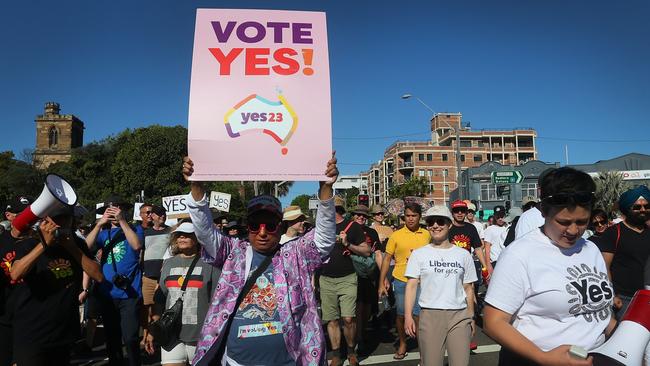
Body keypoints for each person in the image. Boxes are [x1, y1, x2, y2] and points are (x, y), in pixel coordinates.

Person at [183, 154, 339, 366]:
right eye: (255, 225)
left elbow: (324, 238)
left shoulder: (295, 254)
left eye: (270, 225)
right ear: (248, 227)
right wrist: (197, 186)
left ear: (281, 228)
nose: (262, 232)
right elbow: (204, 231)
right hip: (237, 362)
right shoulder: (233, 252)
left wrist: (326, 189)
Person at [484, 167, 617, 366]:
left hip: (596, 357)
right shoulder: (520, 254)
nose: (573, 230)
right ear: (544, 211)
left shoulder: (591, 249)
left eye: (582, 222)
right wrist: (543, 358)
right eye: (564, 222)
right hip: (535, 360)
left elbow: (597, 309)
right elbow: (493, 322)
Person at [10, 207, 103, 364]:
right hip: (32, 332)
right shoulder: (29, 242)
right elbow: (15, 273)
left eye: (66, 218)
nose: (62, 223)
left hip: (63, 331)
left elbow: (98, 276)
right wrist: (43, 245)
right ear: (45, 220)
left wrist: (72, 248)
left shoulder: (77, 242)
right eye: (57, 219)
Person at [404, 205, 477, 366]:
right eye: (431, 222)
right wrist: (408, 316)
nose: (435, 226)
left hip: (459, 315)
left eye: (440, 221)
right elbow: (411, 286)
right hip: (430, 315)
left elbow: (468, 288)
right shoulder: (419, 254)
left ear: (449, 224)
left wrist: (471, 316)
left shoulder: (463, 255)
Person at [145, 222, 221, 365]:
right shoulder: (167, 263)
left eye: (187, 235)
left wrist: (215, 332)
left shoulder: (210, 264)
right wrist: (153, 329)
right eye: (179, 235)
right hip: (170, 333)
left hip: (201, 334)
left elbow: (218, 302)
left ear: (198, 238)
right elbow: (160, 299)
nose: (182, 238)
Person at [85, 195, 145, 366]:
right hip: (108, 292)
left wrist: (122, 221)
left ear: (124, 210)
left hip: (129, 292)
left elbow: (136, 246)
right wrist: (99, 223)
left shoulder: (135, 228)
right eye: (110, 209)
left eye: (118, 208)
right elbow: (86, 247)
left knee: (131, 336)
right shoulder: (103, 233)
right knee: (112, 337)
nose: (114, 212)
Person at [319, 197, 371, 366]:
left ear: (336, 209)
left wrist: (348, 243)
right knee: (332, 320)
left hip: (347, 278)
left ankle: (350, 351)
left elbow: (366, 251)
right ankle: (336, 355)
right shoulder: (319, 228)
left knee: (348, 319)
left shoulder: (353, 227)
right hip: (326, 279)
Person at [378, 202, 430, 360]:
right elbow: (387, 259)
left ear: (419, 217)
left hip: (423, 281)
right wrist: (381, 282)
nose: (411, 219)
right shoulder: (396, 235)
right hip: (401, 280)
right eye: (408, 216)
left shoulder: (427, 234)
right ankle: (403, 342)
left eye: (414, 216)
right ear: (403, 217)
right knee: (401, 315)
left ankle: (424, 348)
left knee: (419, 315)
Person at [595, 185, 650, 320]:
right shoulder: (614, 232)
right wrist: (612, 294)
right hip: (624, 299)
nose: (643, 210)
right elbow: (604, 267)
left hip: (647, 295)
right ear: (627, 209)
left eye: (647, 206)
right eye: (637, 207)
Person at [349, 204, 381, 352]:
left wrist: (383, 278)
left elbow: (378, 253)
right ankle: (358, 338)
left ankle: (361, 332)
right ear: (353, 215)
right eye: (357, 214)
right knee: (357, 307)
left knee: (367, 307)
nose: (361, 217)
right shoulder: (347, 230)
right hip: (351, 273)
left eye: (364, 215)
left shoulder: (372, 232)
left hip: (369, 274)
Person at [142, 205, 172, 348]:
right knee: (147, 308)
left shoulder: (171, 231)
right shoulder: (145, 233)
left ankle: (155, 336)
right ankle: (146, 335)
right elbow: (141, 252)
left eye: (164, 214)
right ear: (152, 216)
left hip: (163, 277)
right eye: (159, 214)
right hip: (148, 276)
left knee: (159, 309)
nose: (162, 217)